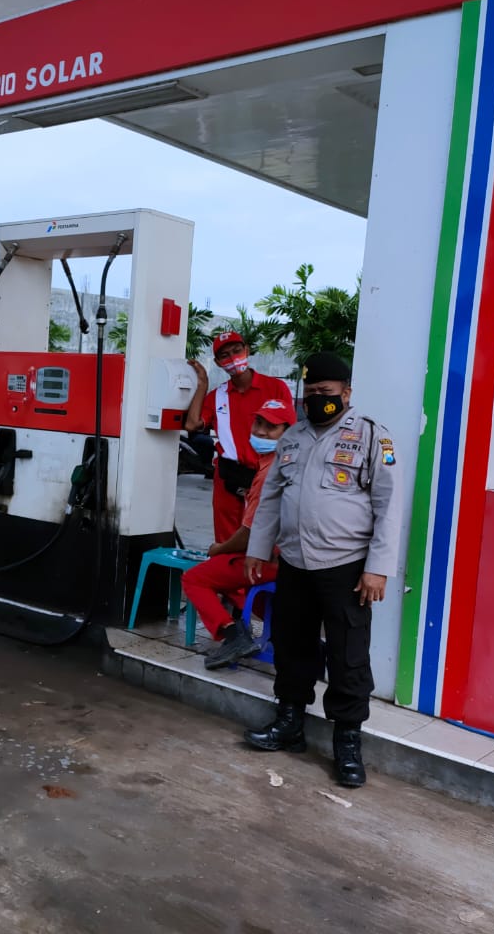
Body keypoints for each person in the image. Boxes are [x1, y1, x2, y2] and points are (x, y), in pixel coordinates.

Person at [241, 351, 402, 789]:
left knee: (348, 655)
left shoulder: (373, 436)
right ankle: (289, 722)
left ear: (346, 393)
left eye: (325, 392)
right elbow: (271, 499)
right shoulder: (292, 437)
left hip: (346, 567)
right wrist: (258, 549)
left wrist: (378, 568)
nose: (315, 399)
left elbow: (389, 506)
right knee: (292, 644)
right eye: (309, 392)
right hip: (295, 562)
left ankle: (347, 743)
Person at [181, 399, 296, 670]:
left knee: (195, 578)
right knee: (236, 583)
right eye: (259, 423)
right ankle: (271, 634)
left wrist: (219, 549)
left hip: (268, 560)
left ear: (287, 432)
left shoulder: (270, 473)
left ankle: (233, 635)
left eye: (271, 427)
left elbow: (251, 533)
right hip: (284, 559)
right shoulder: (285, 463)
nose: (261, 431)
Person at [185, 332, 294, 544]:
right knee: (226, 541)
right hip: (229, 478)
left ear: (247, 350)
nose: (233, 359)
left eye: (237, 351)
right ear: (218, 363)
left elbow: (289, 431)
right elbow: (192, 424)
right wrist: (202, 385)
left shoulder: (275, 387)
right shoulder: (218, 396)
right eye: (225, 355)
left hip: (265, 476)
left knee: (263, 539)